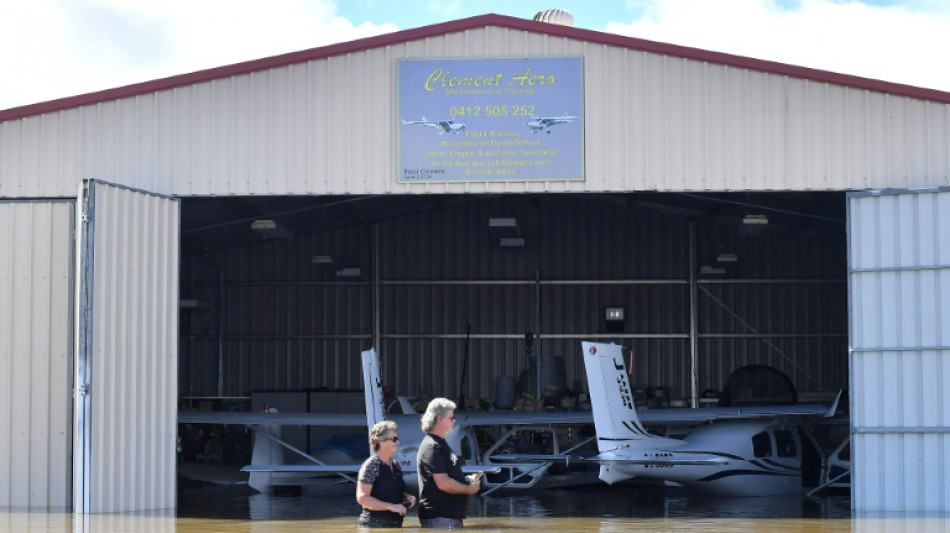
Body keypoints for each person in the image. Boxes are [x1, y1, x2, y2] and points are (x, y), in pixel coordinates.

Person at [416, 397, 480, 528]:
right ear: (440, 418)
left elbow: (448, 475)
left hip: (447, 518)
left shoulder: (441, 444)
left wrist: (465, 479)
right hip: (441, 519)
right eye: (451, 418)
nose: (454, 421)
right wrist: (468, 489)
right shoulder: (432, 447)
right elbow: (443, 483)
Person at [356, 420, 417, 528]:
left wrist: (406, 497)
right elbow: (362, 498)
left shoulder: (396, 465)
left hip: (395, 526)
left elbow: (388, 493)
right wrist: (391, 506)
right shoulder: (371, 465)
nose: (398, 443)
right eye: (394, 439)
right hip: (373, 526)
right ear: (381, 442)